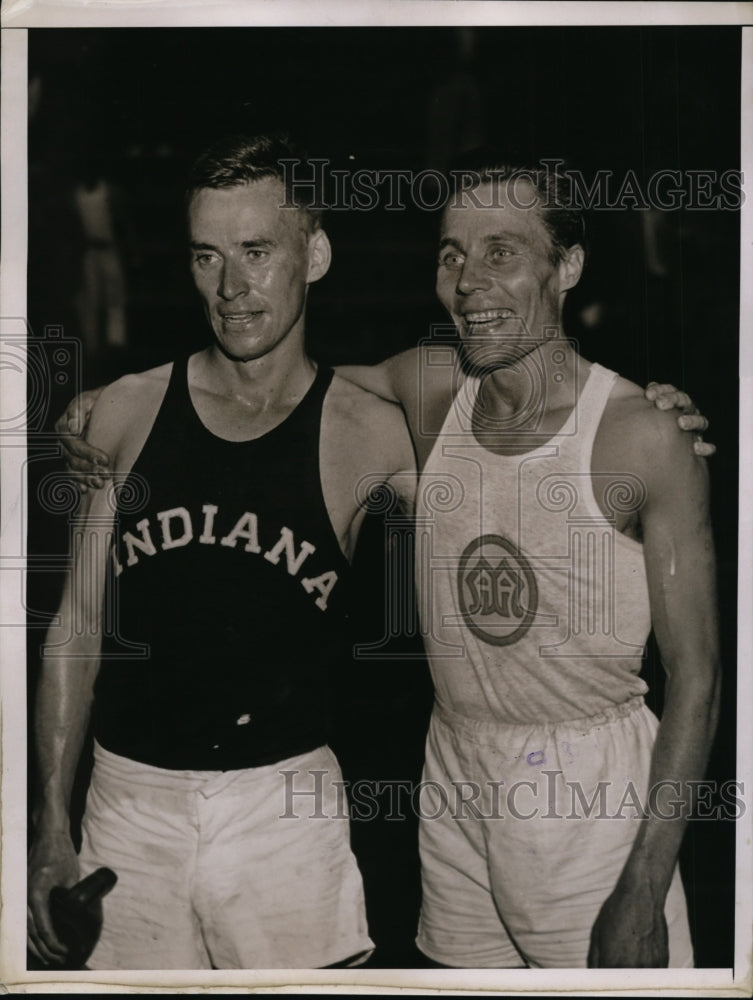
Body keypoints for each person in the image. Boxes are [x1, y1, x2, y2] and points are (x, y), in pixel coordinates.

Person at [50, 146, 715, 970]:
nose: (468, 280)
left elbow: (700, 679)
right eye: (450, 254)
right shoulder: (434, 391)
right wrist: (95, 406)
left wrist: (645, 884)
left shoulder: (639, 436)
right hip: (453, 780)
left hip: (587, 791)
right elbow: (283, 384)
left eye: (500, 252)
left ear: (567, 265)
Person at [26, 133, 417, 970]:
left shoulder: (372, 433)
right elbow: (76, 630)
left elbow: (525, 449)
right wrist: (50, 830)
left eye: (255, 252)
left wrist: (658, 417)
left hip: (285, 812)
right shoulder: (124, 414)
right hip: (128, 805)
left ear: (313, 254)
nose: (231, 289)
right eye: (207, 257)